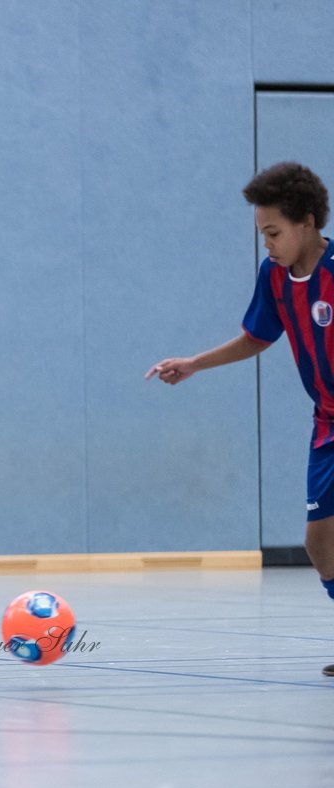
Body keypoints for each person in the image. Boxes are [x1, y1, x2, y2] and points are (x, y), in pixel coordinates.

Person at [147, 161, 334, 678]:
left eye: (274, 233)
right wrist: (194, 364)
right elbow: (258, 335)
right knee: (320, 543)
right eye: (262, 234)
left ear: (308, 222)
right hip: (328, 424)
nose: (267, 244)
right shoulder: (274, 277)